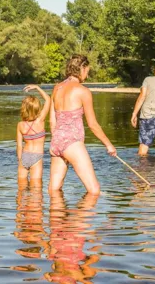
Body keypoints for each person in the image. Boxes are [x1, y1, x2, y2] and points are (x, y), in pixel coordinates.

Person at [49, 54, 117, 195]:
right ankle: (82, 216)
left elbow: (52, 120)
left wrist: (57, 139)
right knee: (94, 191)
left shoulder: (57, 88)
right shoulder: (83, 91)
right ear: (82, 68)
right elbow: (92, 124)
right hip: (73, 143)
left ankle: (57, 216)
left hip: (56, 141)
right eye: (87, 70)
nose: (87, 74)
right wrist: (108, 144)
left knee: (54, 190)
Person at [16, 85, 50, 186]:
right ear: (37, 109)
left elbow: (19, 146)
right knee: (36, 190)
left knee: (21, 189)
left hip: (24, 156)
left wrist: (20, 160)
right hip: (37, 157)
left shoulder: (20, 125)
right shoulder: (40, 121)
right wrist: (38, 88)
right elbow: (48, 100)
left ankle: (20, 202)